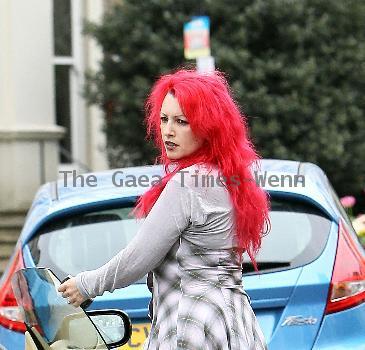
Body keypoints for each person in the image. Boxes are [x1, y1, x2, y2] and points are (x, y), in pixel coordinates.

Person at [58, 69, 270, 350]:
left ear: (209, 126)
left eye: (182, 122)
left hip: (192, 323)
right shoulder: (229, 177)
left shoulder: (190, 182)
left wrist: (85, 285)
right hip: (233, 321)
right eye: (164, 119)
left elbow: (138, 258)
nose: (168, 131)